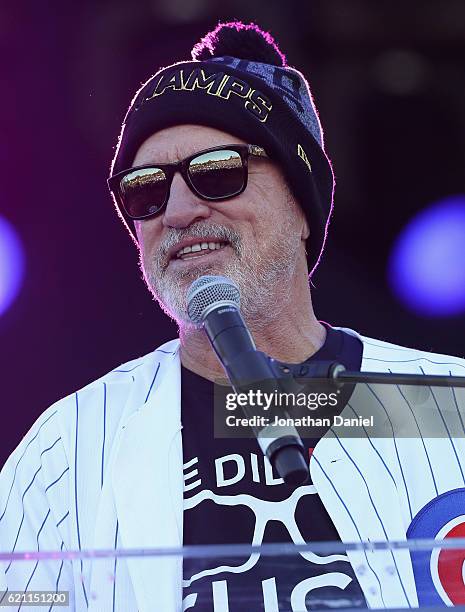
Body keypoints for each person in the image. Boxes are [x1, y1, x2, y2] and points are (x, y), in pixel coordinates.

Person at [1, 21, 464, 612]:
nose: (180, 210)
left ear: (302, 204)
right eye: (146, 191)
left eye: (218, 173)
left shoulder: (451, 406)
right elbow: (18, 602)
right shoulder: (65, 448)